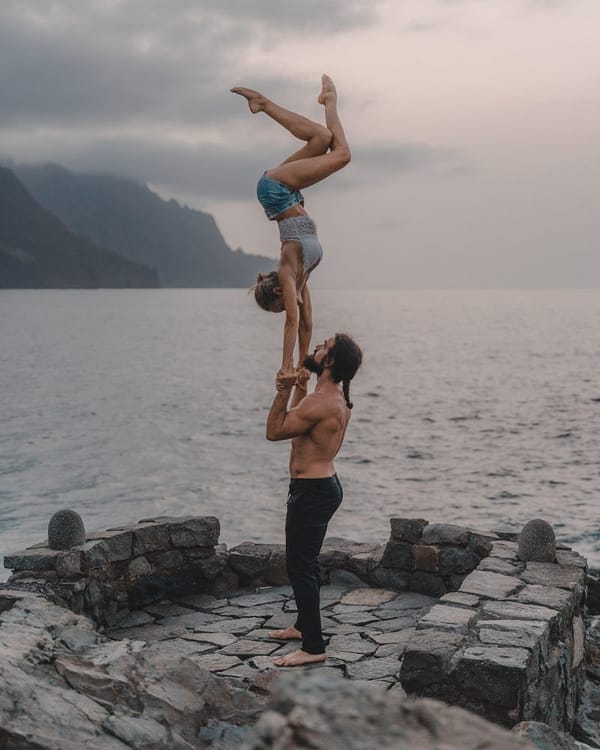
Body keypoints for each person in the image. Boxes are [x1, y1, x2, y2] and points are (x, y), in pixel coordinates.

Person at [231, 75, 351, 377]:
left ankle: (327, 101)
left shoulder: (287, 269)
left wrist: (284, 367)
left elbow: (292, 323)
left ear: (276, 294)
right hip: (284, 194)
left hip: (276, 190)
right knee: (323, 140)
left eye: (279, 307)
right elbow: (307, 323)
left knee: (342, 155)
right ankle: (266, 104)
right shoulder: (301, 278)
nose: (287, 309)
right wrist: (301, 368)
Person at [265, 332, 363, 666]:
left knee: (299, 565)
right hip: (323, 487)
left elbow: (275, 430)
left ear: (330, 362)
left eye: (325, 346)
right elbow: (302, 423)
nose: (318, 345)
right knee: (305, 563)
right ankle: (304, 625)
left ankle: (313, 647)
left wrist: (282, 390)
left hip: (312, 491)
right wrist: (299, 387)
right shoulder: (333, 398)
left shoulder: (321, 403)